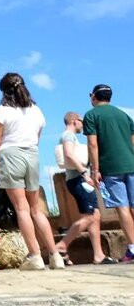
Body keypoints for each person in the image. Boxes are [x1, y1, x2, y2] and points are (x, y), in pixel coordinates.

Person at [0, 72, 64, 271]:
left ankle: (35, 255)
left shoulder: (3, 109)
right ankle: (55, 255)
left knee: (21, 208)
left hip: (10, 154)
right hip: (32, 153)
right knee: (36, 209)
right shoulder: (36, 110)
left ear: (4, 91)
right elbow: (37, 137)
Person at [54, 112, 115, 265]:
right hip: (78, 180)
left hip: (78, 179)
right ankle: (61, 245)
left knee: (95, 215)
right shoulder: (68, 135)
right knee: (89, 216)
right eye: (81, 121)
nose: (83, 125)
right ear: (74, 121)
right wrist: (84, 173)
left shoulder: (69, 136)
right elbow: (69, 154)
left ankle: (98, 255)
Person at [84, 84, 134, 263]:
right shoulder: (123, 115)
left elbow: (92, 144)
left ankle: (132, 249)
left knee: (122, 207)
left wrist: (95, 169)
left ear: (94, 97)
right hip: (131, 164)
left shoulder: (91, 115)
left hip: (111, 167)